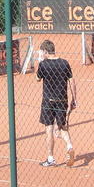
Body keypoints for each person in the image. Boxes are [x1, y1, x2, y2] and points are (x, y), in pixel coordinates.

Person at [36, 39, 76, 167]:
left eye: (42, 51)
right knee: (62, 126)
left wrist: (41, 61)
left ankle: (50, 158)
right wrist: (74, 99)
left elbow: (37, 79)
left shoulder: (44, 64)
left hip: (48, 100)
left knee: (49, 129)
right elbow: (71, 81)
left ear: (46, 51)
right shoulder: (64, 63)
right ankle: (69, 145)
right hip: (62, 99)